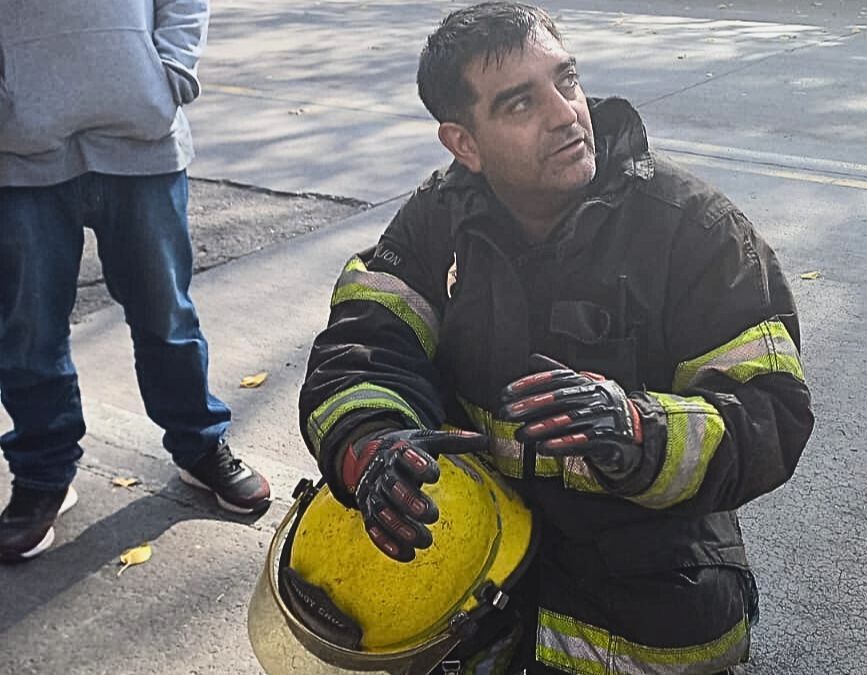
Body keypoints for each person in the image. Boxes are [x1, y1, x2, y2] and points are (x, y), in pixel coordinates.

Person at [297, 2, 814, 672]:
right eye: (519, 104)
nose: (566, 113)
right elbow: (362, 345)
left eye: (566, 81)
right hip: (477, 601)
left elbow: (771, 412)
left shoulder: (695, 230)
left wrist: (638, 430)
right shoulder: (434, 224)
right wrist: (369, 446)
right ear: (465, 144)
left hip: (648, 622)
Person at [0, 0, 272, 563]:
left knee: (166, 314)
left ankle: (199, 445)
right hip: (18, 155)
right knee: (27, 328)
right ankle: (43, 474)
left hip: (143, 141)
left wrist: (170, 73)